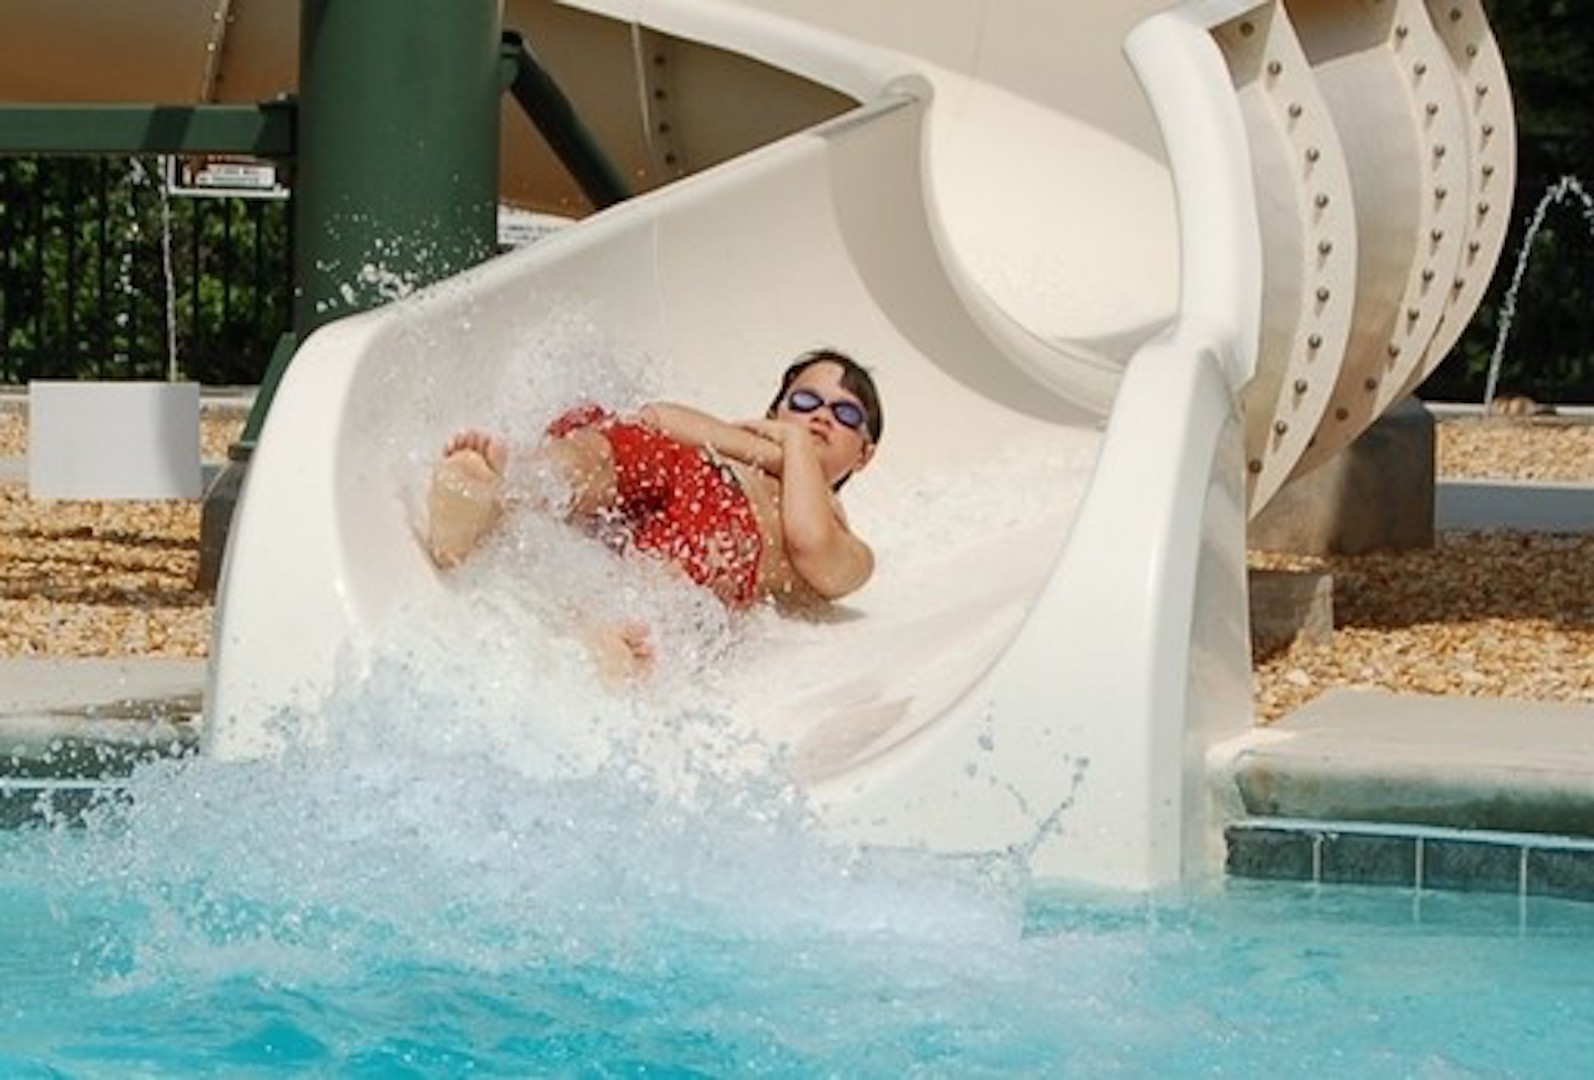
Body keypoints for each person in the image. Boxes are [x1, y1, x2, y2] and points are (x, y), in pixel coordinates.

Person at [425, 350, 883, 679]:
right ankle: (505, 487)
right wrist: (767, 449)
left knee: (674, 568)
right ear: (774, 412)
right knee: (606, 450)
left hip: (720, 528)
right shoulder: (744, 453)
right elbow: (657, 418)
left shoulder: (844, 536)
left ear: (864, 456)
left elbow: (811, 546)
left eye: (845, 414)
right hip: (680, 468)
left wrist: (796, 444)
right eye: (805, 403)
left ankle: (604, 630)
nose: (822, 416)